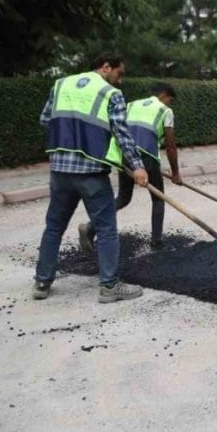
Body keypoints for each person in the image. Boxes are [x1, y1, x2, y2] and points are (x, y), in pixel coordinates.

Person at [33, 54, 148, 303]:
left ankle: (42, 282)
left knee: (54, 226)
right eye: (119, 73)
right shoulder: (111, 94)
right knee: (106, 228)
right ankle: (109, 286)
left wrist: (70, 136)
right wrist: (138, 166)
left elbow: (45, 120)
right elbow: (122, 134)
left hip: (60, 170)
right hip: (91, 172)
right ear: (106, 67)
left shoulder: (61, 84)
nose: (120, 80)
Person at [81, 83, 182, 250]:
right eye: (170, 100)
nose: (169, 104)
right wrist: (176, 174)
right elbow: (170, 146)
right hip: (147, 156)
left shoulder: (131, 105)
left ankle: (90, 227)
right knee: (158, 199)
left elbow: (117, 128)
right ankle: (156, 243)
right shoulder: (165, 111)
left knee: (123, 198)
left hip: (126, 155)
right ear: (164, 95)